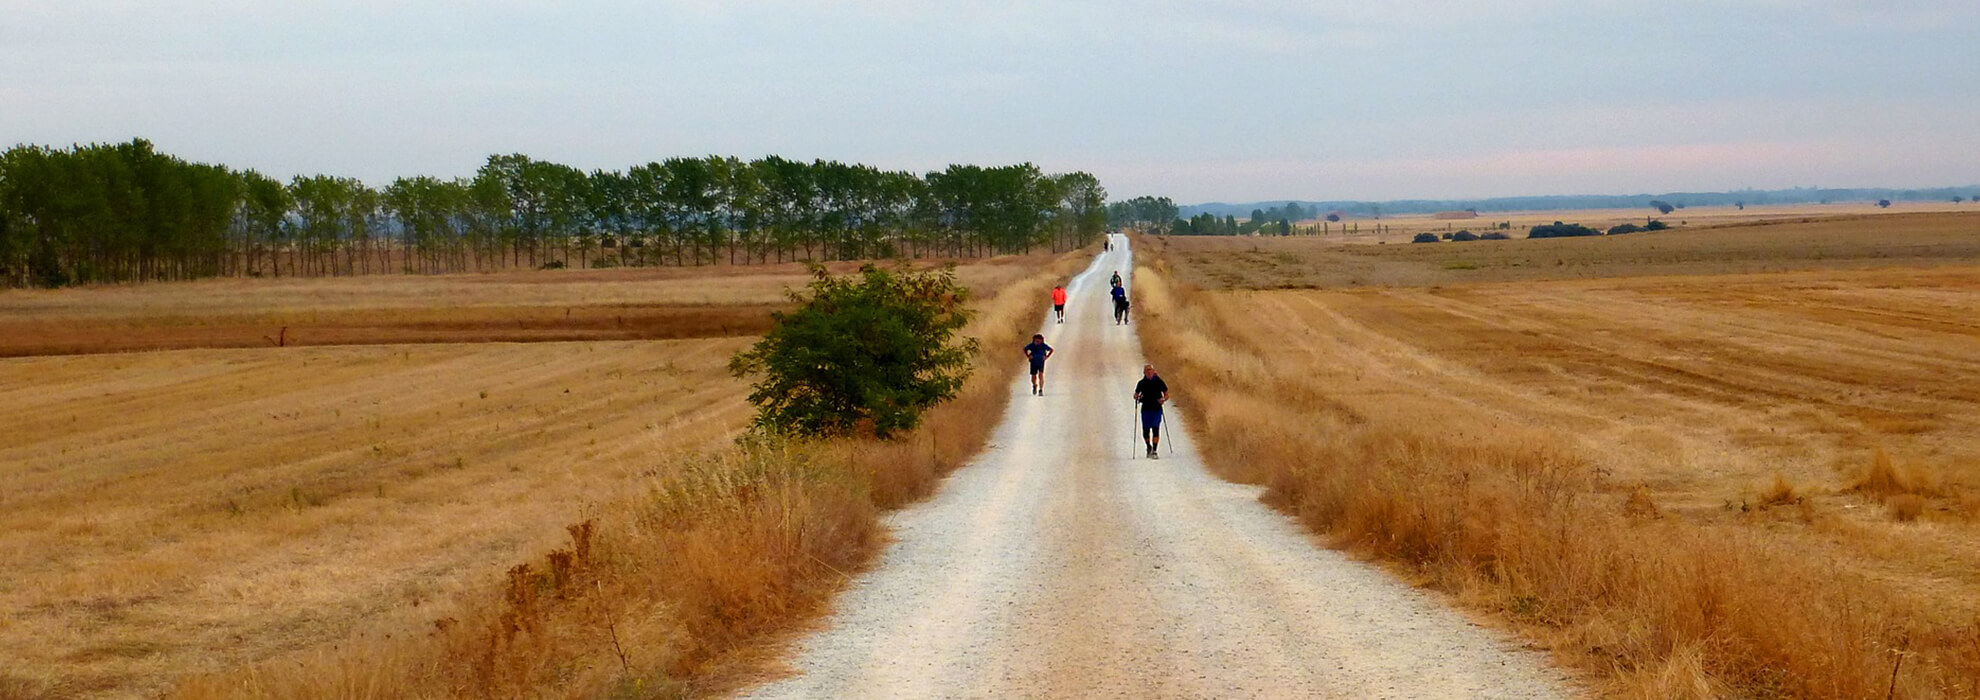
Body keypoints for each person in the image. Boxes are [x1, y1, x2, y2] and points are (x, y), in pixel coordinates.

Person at [1134, 364, 1169, 458]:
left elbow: (1166, 394)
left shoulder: (1159, 382)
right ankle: (1148, 446)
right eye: (1147, 370)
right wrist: (1136, 396)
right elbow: (1136, 394)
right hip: (1145, 409)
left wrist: (1163, 399)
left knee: (1155, 428)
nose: (1149, 372)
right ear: (1144, 372)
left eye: (1150, 370)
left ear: (1153, 371)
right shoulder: (1141, 383)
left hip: (1156, 408)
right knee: (1145, 431)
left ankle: (1154, 450)